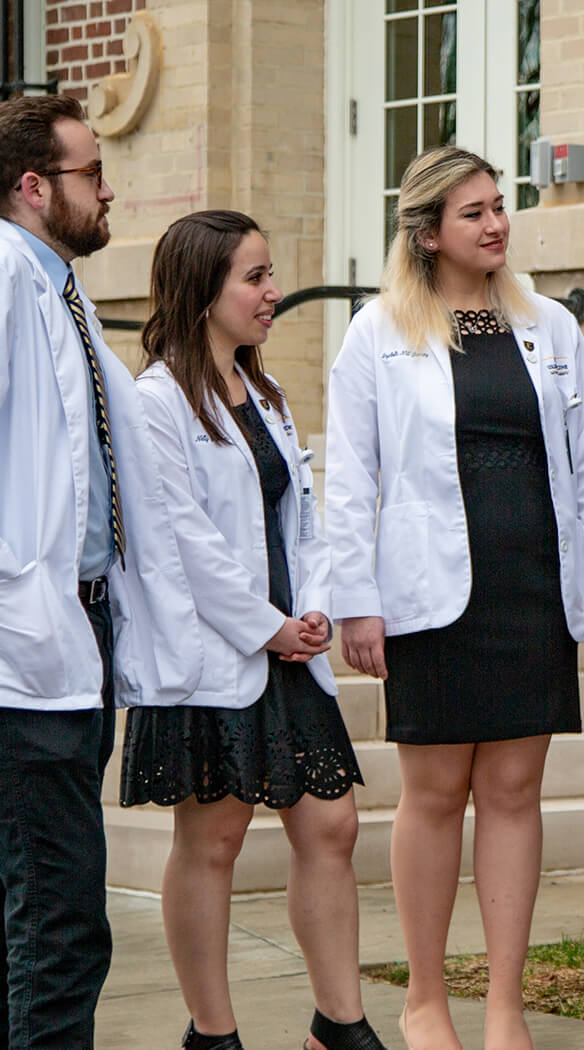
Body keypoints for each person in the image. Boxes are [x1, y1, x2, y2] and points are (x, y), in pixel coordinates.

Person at [325, 146, 584, 1050]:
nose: (496, 224)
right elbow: (351, 476)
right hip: (430, 594)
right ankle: (424, 999)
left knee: (513, 790)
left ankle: (504, 1006)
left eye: (499, 206)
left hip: (531, 584)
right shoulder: (377, 332)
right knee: (432, 793)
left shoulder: (548, 324)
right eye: (474, 213)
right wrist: (355, 599)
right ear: (427, 233)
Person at [120, 210, 388, 1050]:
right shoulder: (156, 401)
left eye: (271, 275)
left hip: (289, 650)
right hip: (216, 653)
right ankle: (213, 1032)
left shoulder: (264, 394)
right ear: (205, 291)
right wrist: (266, 626)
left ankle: (339, 1024)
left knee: (332, 826)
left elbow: (302, 518)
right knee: (214, 839)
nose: (273, 292)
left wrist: (313, 606)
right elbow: (181, 539)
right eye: (256, 277)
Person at [0, 92, 200, 1048]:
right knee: (61, 918)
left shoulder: (60, 289)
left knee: (41, 908)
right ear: (35, 187)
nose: (109, 190)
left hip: (75, 629)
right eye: (92, 172)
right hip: (24, 639)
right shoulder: (6, 279)